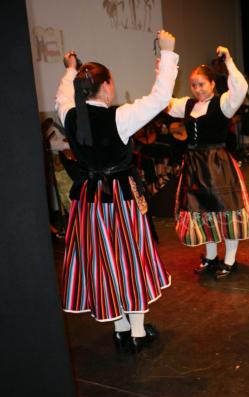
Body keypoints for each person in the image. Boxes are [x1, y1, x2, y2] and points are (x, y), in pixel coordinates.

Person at [55, 30, 178, 354]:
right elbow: (159, 98)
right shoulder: (118, 117)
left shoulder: (69, 114)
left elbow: (62, 96)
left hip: (88, 203)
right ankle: (136, 332)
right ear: (106, 85)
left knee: (103, 263)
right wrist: (167, 53)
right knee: (129, 260)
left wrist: (70, 69)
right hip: (119, 200)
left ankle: (121, 329)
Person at [167, 46, 249, 279]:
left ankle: (230, 260)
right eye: (194, 85)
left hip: (217, 166)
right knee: (203, 212)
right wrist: (163, 69)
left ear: (212, 84)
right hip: (195, 166)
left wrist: (229, 61)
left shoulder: (223, 104)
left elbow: (241, 87)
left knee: (225, 211)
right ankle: (211, 256)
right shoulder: (186, 105)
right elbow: (161, 101)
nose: (197, 89)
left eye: (201, 84)